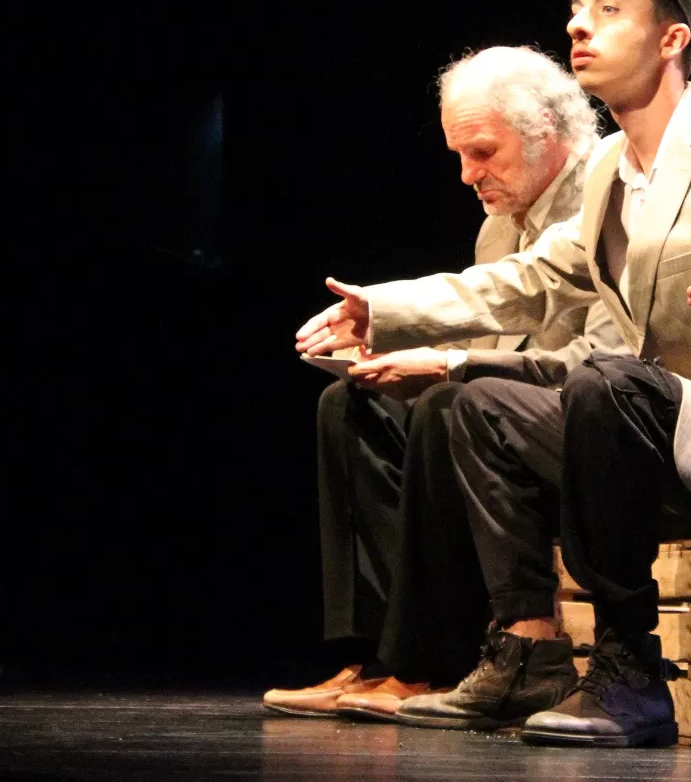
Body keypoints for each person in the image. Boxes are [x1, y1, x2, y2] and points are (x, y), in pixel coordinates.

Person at [296, 0, 691, 747]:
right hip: (642, 442)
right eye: (576, 12)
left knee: (604, 378)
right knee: (471, 405)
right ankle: (529, 652)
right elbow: (528, 279)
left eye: (608, 12)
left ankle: (631, 672)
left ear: (671, 41)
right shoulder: (606, 171)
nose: (578, 28)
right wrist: (382, 310)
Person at [265, 45, 622, 721]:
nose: (467, 175)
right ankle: (377, 653)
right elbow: (487, 341)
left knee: (453, 403)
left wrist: (448, 367)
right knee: (351, 405)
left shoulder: (605, 202)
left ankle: (427, 661)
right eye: (459, 155)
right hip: (494, 418)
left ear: (549, 134)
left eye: (483, 152)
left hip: (578, 427)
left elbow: (602, 360)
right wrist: (404, 355)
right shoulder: (500, 224)